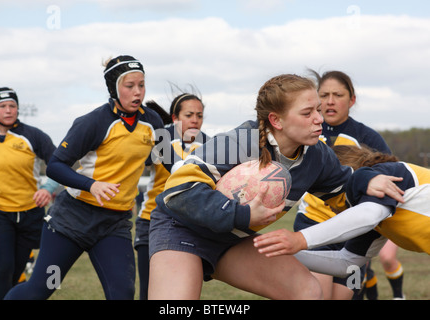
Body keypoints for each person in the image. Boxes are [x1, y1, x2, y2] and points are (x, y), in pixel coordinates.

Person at [148, 74, 404, 300]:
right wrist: (242, 214)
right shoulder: (240, 142)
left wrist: (368, 181)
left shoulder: (318, 156)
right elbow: (178, 190)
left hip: (230, 240)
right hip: (180, 229)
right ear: (276, 120)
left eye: (318, 109)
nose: (319, 119)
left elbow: (344, 192)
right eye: (307, 113)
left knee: (307, 292)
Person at [5, 55, 165, 300]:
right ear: (113, 88)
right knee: (40, 290)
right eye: (129, 86)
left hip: (115, 224)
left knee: (122, 293)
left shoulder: (153, 122)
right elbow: (56, 166)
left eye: (141, 85)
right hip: (72, 221)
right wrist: (92, 185)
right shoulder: (93, 122)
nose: (138, 92)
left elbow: (168, 162)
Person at [254, 145, 429, 297]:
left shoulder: (387, 173)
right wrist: (284, 252)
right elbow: (347, 262)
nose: (328, 206)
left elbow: (368, 215)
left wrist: (299, 239)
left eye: (327, 196)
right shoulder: (376, 215)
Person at [293, 70, 404, 299]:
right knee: (318, 294)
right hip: (313, 228)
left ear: (352, 100)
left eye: (338, 94)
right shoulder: (305, 133)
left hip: (355, 235)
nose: (330, 101)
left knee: (348, 295)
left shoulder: (368, 137)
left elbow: (392, 180)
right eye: (324, 95)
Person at [0, 88, 58, 300]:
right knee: (3, 268)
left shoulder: (33, 136)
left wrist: (47, 189)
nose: (8, 110)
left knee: (16, 272)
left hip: (29, 214)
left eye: (12, 106)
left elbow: (60, 164)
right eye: (2, 106)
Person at [135, 91, 210, 299]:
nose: (195, 120)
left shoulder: (210, 145)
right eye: (189, 115)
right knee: (149, 291)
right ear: (175, 117)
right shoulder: (159, 139)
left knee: (182, 293)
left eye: (200, 115)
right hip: (151, 221)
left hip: (189, 227)